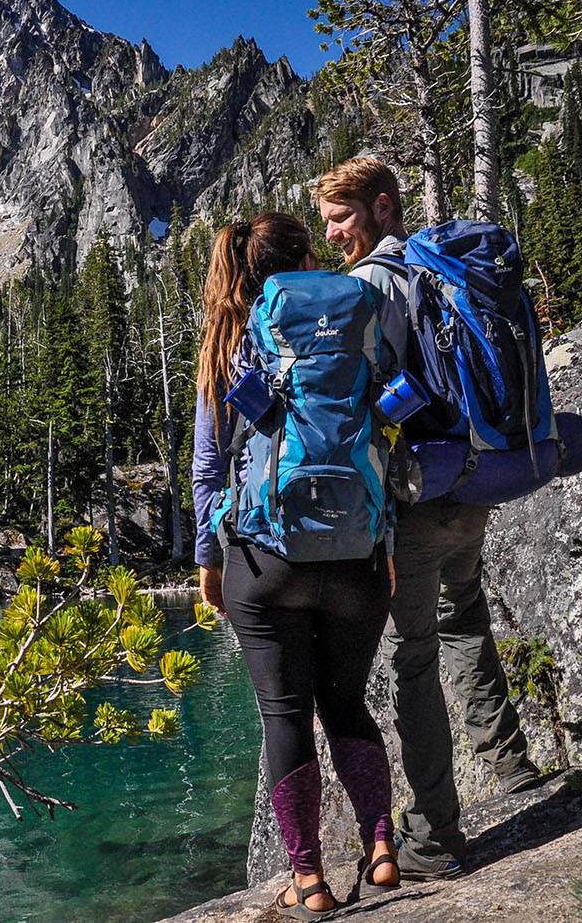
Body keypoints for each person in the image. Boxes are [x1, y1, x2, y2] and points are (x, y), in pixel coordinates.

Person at [316, 157, 543, 881]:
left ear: (382, 207)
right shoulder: (434, 269)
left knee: (412, 657)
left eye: (342, 218)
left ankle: (434, 838)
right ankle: (512, 767)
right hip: (472, 479)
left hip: (416, 495)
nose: (333, 236)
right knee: (465, 617)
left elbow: (355, 393)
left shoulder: (373, 284)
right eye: (326, 222)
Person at [193, 215, 400, 918]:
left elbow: (206, 469)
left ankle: (307, 879)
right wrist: (386, 545)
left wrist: (208, 561)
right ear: (306, 261)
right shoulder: (348, 328)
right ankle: (381, 849)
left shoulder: (229, 345)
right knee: (347, 703)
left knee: (286, 715)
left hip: (265, 558)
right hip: (358, 552)